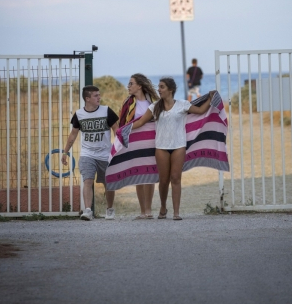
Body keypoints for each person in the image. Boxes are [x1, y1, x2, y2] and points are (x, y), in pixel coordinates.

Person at [131, 77, 214, 220]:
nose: (159, 89)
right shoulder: (155, 106)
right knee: (163, 181)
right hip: (161, 147)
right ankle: (163, 207)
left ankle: (176, 212)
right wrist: (125, 129)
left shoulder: (183, 104)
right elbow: (141, 122)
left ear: (170, 90)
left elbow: (200, 110)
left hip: (179, 146)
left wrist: (211, 98)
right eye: (159, 87)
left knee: (176, 178)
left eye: (162, 87)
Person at [61, 85, 119, 221]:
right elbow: (73, 135)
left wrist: (118, 148)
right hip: (87, 154)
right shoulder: (79, 114)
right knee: (87, 180)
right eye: (95, 95)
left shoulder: (106, 111)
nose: (99, 97)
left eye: (99, 95)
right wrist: (65, 152)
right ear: (87, 98)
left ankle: (110, 209)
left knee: (108, 183)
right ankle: (88, 210)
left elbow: (116, 129)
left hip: (105, 154)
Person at [119, 73, 159, 219]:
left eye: (131, 83)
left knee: (150, 175)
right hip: (135, 144)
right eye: (128, 84)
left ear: (139, 86)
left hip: (151, 143)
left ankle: (149, 210)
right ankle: (143, 211)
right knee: (139, 176)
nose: (128, 86)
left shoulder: (152, 102)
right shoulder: (128, 103)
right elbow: (123, 125)